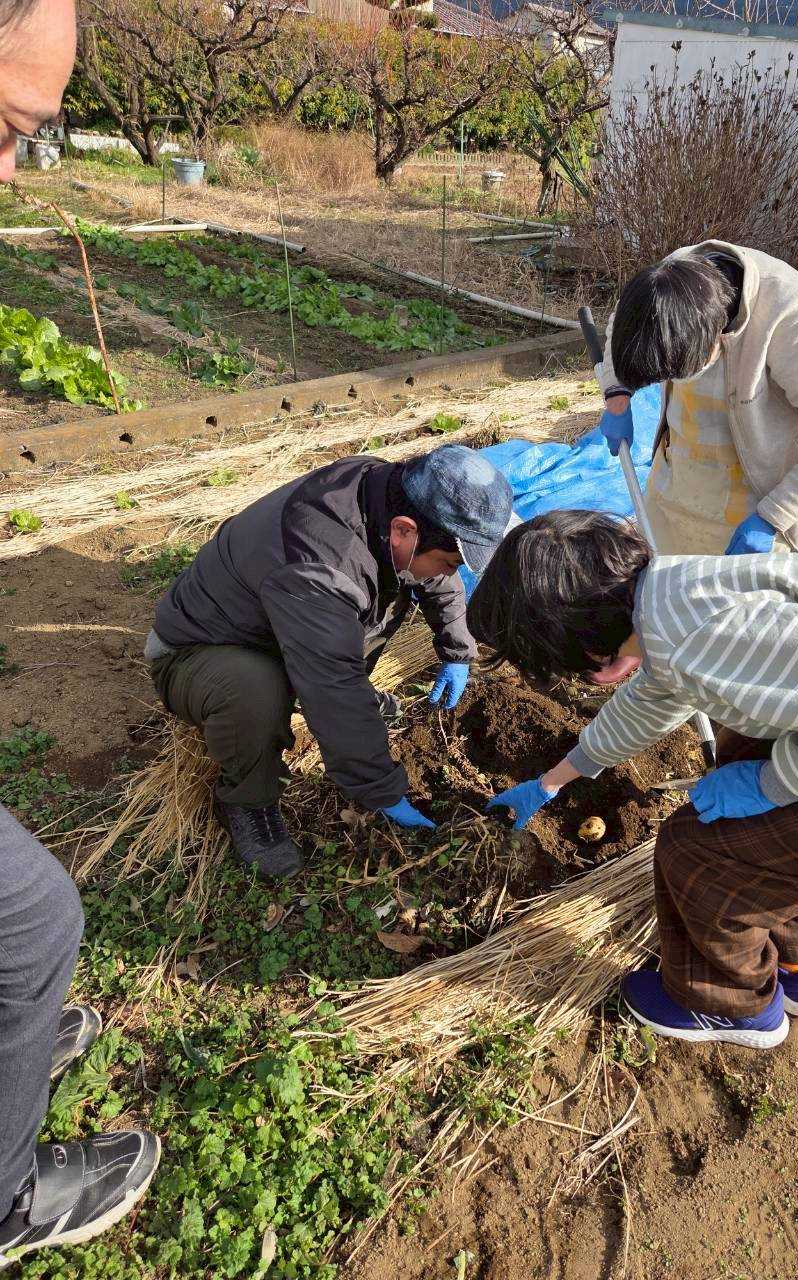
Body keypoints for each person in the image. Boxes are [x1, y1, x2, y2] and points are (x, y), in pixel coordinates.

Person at [467, 511, 798, 1050]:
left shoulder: (706, 641)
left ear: (583, 650)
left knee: (697, 853)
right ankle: (794, 966)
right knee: (746, 754)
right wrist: (554, 780)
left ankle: (733, 1006)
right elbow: (652, 700)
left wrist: (778, 782)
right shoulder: (672, 598)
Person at [0, 0, 160, 1267]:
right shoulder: (320, 556)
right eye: (8, 125)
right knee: (38, 918)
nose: (15, 170)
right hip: (201, 650)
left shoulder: (388, 526)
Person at [146, 445, 517, 878]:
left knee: (396, 586)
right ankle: (248, 801)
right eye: (449, 561)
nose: (448, 571)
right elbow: (333, 686)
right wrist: (381, 788)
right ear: (404, 531)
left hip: (281, 629)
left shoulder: (389, 494)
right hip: (199, 651)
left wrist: (457, 650)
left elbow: (436, 571)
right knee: (255, 692)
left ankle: (328, 701)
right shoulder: (320, 569)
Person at [595, 241, 798, 557]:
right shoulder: (667, 282)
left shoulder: (793, 313)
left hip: (758, 496)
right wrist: (616, 395)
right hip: (677, 481)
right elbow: (621, 326)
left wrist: (773, 516)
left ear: (717, 336)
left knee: (739, 590)